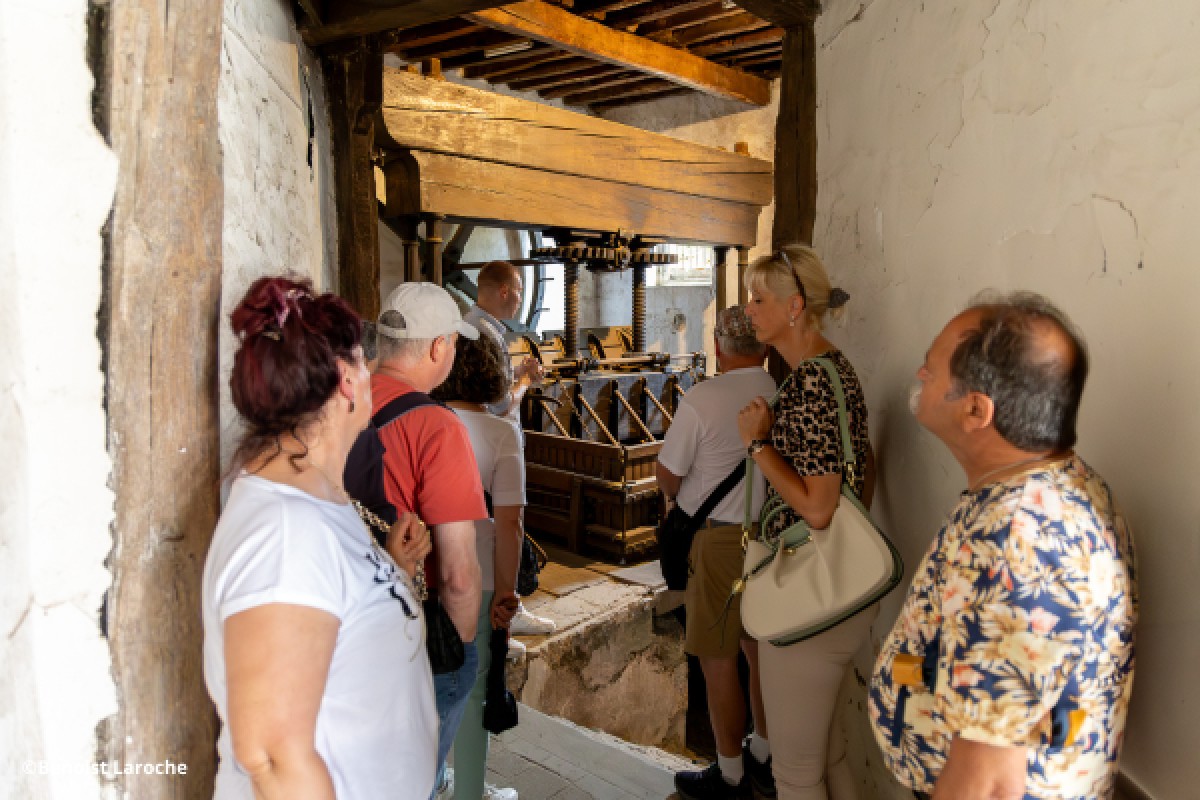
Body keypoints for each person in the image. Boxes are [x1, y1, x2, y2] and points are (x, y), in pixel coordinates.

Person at [869, 292, 1137, 800]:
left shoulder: (1017, 538)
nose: (920, 375)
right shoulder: (1059, 484)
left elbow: (990, 782)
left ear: (975, 409)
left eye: (931, 368)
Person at [202, 276, 434, 799]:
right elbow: (274, 759)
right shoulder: (284, 535)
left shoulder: (318, 497)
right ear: (346, 381)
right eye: (362, 362)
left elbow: (333, 617)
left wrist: (392, 571)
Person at [737, 245, 873, 800]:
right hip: (836, 590)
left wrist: (760, 445)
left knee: (795, 776)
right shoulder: (830, 370)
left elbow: (818, 507)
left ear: (795, 307)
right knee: (828, 755)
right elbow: (861, 471)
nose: (748, 309)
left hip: (809, 597)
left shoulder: (812, 382)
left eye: (758, 298)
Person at [372, 282, 489, 799]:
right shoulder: (437, 426)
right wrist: (459, 658)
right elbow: (458, 575)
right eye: (455, 344)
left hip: (340, 627)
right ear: (440, 347)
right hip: (407, 638)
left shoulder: (334, 402)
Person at [660, 305, 778, 800]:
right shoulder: (778, 391)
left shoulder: (703, 398)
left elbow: (668, 474)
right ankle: (765, 757)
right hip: (770, 537)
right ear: (766, 344)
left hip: (719, 540)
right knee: (759, 651)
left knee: (717, 657)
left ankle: (730, 775)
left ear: (718, 346)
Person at [431, 334, 526, 800]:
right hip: (483, 570)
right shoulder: (501, 433)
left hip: (427, 568)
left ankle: (430, 783)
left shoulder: (425, 422)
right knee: (472, 686)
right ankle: (470, 791)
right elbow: (510, 523)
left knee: (427, 680)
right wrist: (506, 595)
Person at [463, 260, 556, 641]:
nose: (520, 298)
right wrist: (527, 382)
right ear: (505, 291)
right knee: (503, 531)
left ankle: (489, 617)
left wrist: (514, 373)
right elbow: (500, 405)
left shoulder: (469, 324)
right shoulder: (486, 332)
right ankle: (506, 611)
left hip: (472, 445)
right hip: (493, 445)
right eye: (518, 289)